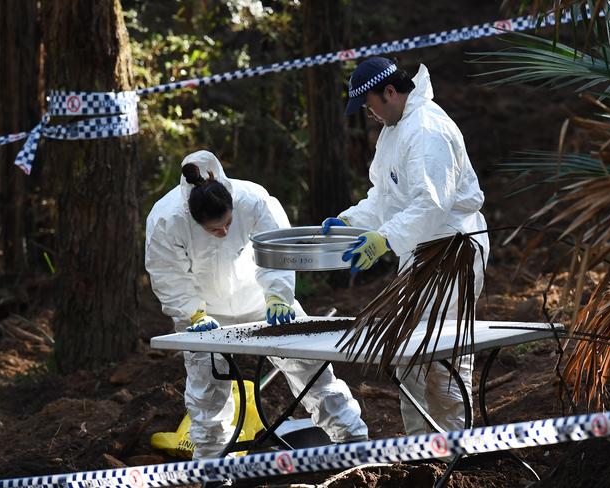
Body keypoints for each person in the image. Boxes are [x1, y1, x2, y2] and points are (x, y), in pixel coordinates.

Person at [145, 150, 368, 460]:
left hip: (262, 301)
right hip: (203, 313)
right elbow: (168, 275)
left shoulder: (252, 199)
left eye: (227, 224)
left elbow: (276, 250)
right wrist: (193, 313)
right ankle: (212, 463)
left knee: (310, 369)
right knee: (207, 390)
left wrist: (278, 296)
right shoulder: (167, 218)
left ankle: (353, 442)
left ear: (233, 206)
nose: (223, 233)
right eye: (213, 231)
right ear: (194, 219)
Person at [322, 57, 490, 435]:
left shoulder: (428, 130)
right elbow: (385, 197)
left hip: (452, 249)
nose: (369, 114)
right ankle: (418, 452)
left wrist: (384, 239)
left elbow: (432, 205)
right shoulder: (393, 131)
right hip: (418, 249)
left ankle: (454, 449)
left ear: (391, 92)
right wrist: (352, 220)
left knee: (443, 354)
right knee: (408, 356)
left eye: (370, 105)